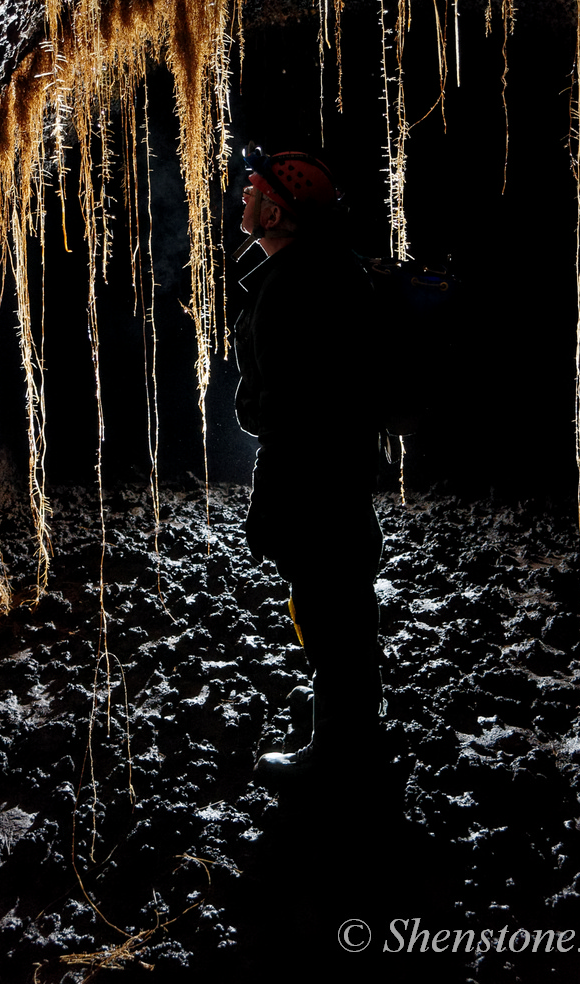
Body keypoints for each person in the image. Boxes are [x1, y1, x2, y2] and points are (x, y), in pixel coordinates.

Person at [232, 145, 384, 785]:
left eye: (254, 189)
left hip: (314, 475)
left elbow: (293, 407)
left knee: (327, 602)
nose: (243, 195)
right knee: (339, 596)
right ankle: (343, 710)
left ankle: (338, 754)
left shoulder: (296, 287)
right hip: (339, 468)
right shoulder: (323, 269)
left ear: (280, 214)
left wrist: (257, 421)